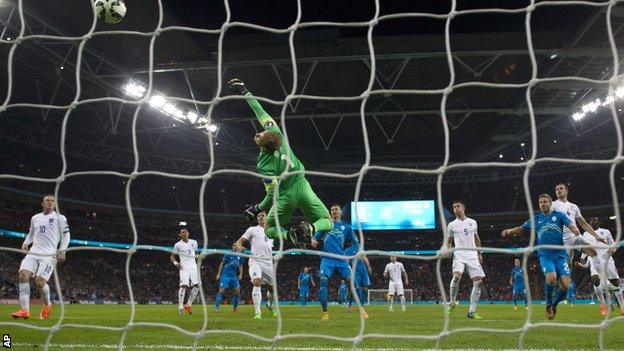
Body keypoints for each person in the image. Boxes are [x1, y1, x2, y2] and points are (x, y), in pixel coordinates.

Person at [228, 78, 333, 248]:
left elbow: (271, 194)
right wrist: (245, 92)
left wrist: (257, 208)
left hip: (286, 195)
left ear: (262, 145)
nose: (258, 133)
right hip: (303, 186)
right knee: (328, 221)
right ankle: (311, 228)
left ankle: (290, 236)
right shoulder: (276, 133)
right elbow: (259, 110)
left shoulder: (263, 165)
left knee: (269, 229)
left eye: (259, 134)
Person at [501, 193, 580, 320]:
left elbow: (570, 224)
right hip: (545, 255)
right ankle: (548, 303)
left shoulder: (559, 215)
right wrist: (510, 230)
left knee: (565, 285)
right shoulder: (536, 219)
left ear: (550, 203)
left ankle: (553, 305)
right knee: (551, 277)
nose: (542, 204)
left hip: (560, 254)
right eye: (540, 202)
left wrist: (574, 229)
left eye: (545, 202)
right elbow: (521, 228)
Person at [11, 194, 70, 320]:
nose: (50, 202)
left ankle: (47, 304)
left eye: (52, 201)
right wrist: (26, 242)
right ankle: (24, 310)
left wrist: (62, 250)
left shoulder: (60, 218)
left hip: (49, 255)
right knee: (23, 275)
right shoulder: (35, 218)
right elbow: (31, 233)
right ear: (42, 203)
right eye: (47, 200)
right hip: (34, 252)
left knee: (39, 283)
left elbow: (66, 236)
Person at [551, 183, 615, 293]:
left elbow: (584, 224)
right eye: (556, 189)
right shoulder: (553, 205)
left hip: (576, 236)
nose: (558, 190)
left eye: (561, 188)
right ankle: (561, 284)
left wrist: (597, 236)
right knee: (566, 265)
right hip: (563, 240)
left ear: (566, 191)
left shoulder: (574, 207)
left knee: (592, 251)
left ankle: (605, 283)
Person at [311, 203, 359, 320]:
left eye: (336, 209)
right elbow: (315, 237)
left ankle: (354, 305)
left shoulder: (347, 227)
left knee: (353, 283)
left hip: (341, 261)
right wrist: (313, 240)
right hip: (327, 259)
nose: (334, 211)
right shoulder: (326, 224)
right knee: (323, 281)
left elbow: (356, 244)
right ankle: (325, 312)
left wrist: (347, 254)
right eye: (332, 209)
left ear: (340, 212)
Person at [574, 217, 624, 316]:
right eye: (592, 221)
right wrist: (583, 257)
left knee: (615, 282)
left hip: (607, 258)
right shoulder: (586, 234)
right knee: (595, 281)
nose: (594, 223)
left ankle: (622, 305)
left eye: (596, 221)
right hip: (594, 258)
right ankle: (602, 304)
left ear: (598, 222)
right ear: (589, 223)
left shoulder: (606, 232)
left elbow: (613, 244)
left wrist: (611, 251)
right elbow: (585, 246)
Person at [235, 211, 278, 319]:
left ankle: (270, 305)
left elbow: (269, 247)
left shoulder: (272, 232)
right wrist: (240, 247)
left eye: (262, 215)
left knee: (272, 289)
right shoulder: (252, 230)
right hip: (255, 261)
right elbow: (239, 241)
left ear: (267, 217)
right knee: (256, 282)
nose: (259, 217)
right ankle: (257, 312)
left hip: (268, 262)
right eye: (258, 216)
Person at [446, 200, 485, 319]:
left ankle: (471, 311)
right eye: (453, 207)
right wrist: (448, 250)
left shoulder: (472, 222)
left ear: (463, 208)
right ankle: (452, 302)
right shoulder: (452, 225)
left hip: (472, 254)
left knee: (478, 282)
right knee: (457, 276)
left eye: (458, 206)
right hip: (459, 254)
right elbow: (448, 241)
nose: (456, 208)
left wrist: (479, 253)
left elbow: (477, 238)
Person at [170, 228, 200, 315]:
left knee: (197, 286)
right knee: (183, 286)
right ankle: (180, 307)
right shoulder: (177, 245)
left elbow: (196, 254)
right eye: (182, 232)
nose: (184, 233)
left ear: (188, 233)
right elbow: (172, 256)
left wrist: (199, 257)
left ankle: (188, 304)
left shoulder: (194, 242)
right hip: (183, 267)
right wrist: (176, 263)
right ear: (180, 235)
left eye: (185, 232)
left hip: (193, 267)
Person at [214, 243, 244, 313]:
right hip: (225, 275)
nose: (235, 246)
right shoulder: (228, 254)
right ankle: (217, 307)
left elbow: (240, 265)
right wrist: (218, 274)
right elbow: (222, 263)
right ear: (232, 247)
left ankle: (235, 308)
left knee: (237, 291)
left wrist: (241, 274)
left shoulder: (240, 256)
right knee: (221, 290)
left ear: (238, 247)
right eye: (233, 245)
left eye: (236, 245)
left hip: (233, 276)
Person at [344, 239, 372, 313]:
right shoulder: (348, 250)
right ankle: (350, 305)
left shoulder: (360, 248)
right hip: (355, 271)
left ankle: (361, 306)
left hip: (363, 270)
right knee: (355, 289)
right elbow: (346, 261)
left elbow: (365, 258)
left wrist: (369, 267)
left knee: (365, 288)